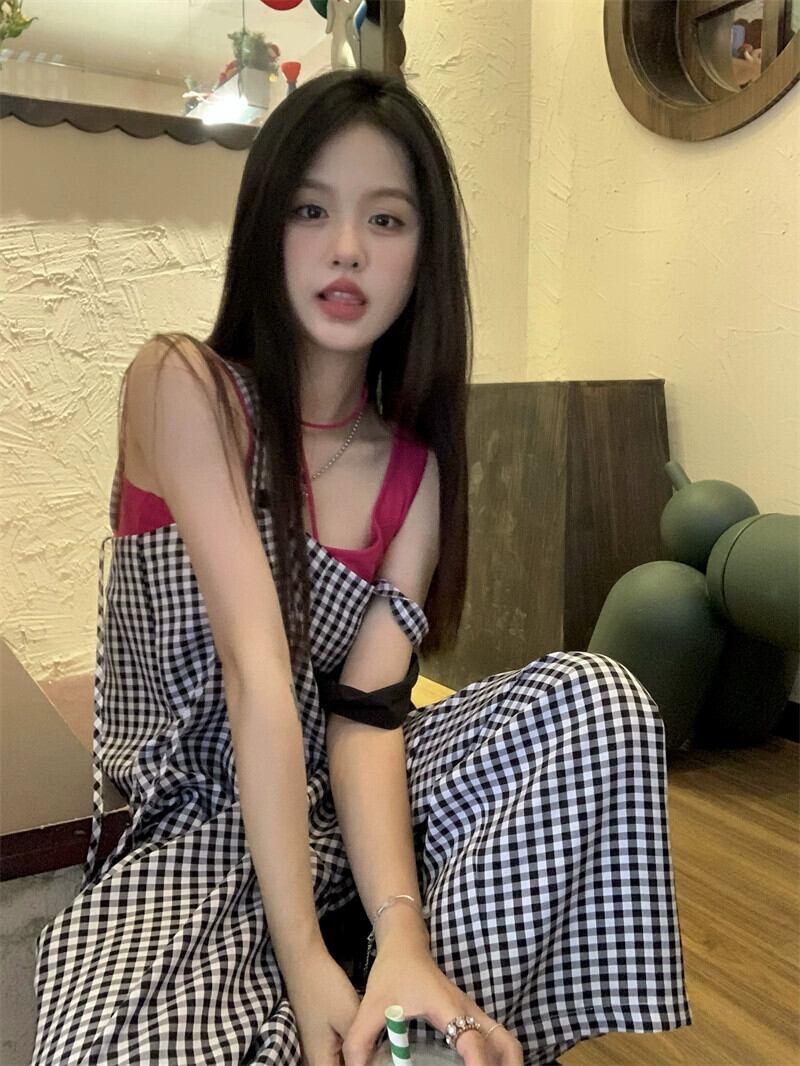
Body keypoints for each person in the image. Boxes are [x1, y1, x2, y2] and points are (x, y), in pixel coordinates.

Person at [31, 68, 691, 1066]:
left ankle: (411, 1004)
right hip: (197, 820)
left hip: (349, 811)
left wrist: (402, 929)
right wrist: (301, 954)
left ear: (425, 257)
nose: (346, 247)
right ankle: (356, 1000)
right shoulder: (184, 385)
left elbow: (366, 718)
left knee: (595, 703)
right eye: (310, 210)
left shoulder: (414, 472)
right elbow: (258, 671)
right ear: (264, 228)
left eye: (385, 220)